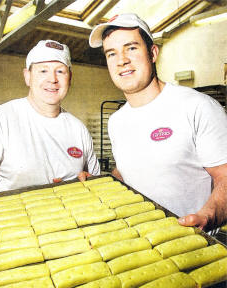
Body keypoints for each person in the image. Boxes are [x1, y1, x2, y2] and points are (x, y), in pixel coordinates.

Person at [0, 39, 100, 288]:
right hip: (3, 254)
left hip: (62, 254)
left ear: (70, 76)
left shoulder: (78, 130)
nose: (51, 79)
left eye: (60, 71)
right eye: (42, 70)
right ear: (27, 75)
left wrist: (88, 185)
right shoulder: (1, 120)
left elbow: (94, 184)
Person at [89, 12, 227, 233]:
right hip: (139, 240)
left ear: (152, 53)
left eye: (131, 48)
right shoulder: (116, 121)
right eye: (111, 53)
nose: (122, 60)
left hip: (193, 243)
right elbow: (128, 172)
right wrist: (98, 183)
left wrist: (207, 216)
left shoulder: (197, 106)